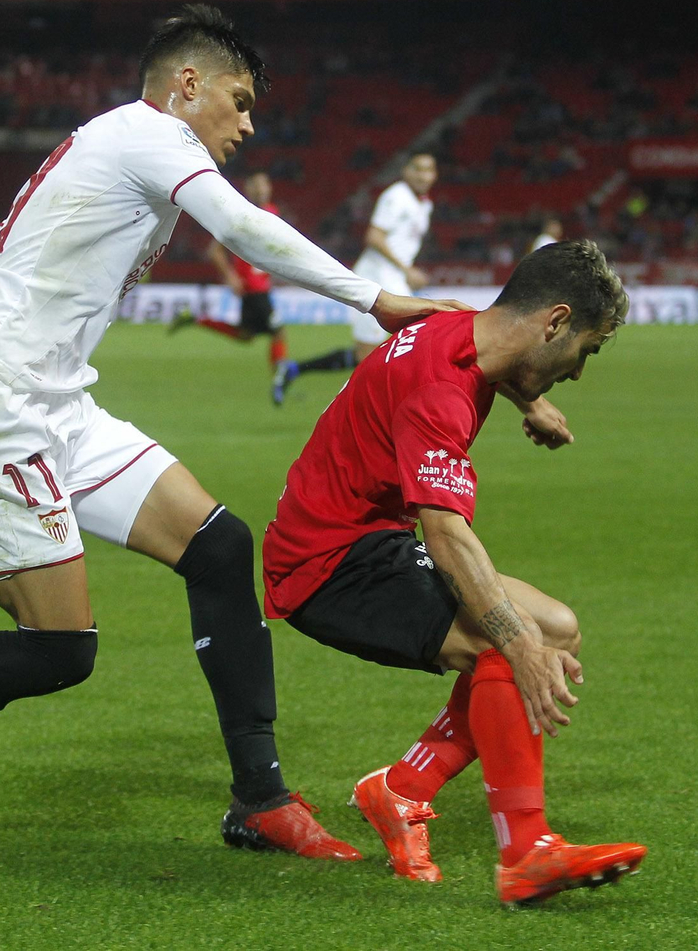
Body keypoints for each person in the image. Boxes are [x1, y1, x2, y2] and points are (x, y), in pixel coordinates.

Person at [0, 4, 462, 857]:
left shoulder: (99, 150)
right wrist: (373, 297)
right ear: (185, 85)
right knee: (61, 651)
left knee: (221, 546)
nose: (248, 123)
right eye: (237, 101)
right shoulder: (150, 137)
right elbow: (239, 227)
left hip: (57, 405)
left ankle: (260, 799)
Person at [262, 239, 646, 907]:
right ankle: (526, 853)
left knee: (558, 628)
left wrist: (531, 403)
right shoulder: (440, 390)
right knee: (515, 635)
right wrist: (517, 646)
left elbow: (492, 356)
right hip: (326, 564)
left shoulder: (456, 326)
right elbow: (446, 534)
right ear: (555, 322)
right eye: (586, 350)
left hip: (362, 536)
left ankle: (401, 790)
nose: (579, 373)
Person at [275, 152, 436, 398]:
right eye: (417, 169)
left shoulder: (425, 204)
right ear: (406, 171)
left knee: (377, 350)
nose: (423, 175)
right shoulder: (396, 196)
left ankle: (295, 369)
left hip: (395, 277)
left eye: (428, 170)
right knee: (413, 334)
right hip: (378, 276)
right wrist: (407, 269)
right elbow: (374, 237)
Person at [168, 172, 292, 404]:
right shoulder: (240, 213)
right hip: (254, 289)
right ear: (248, 187)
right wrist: (231, 276)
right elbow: (214, 251)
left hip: (259, 286)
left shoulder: (271, 211)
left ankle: (196, 319)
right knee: (278, 333)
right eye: (257, 184)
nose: (263, 188)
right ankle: (280, 380)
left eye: (266, 183)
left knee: (245, 335)